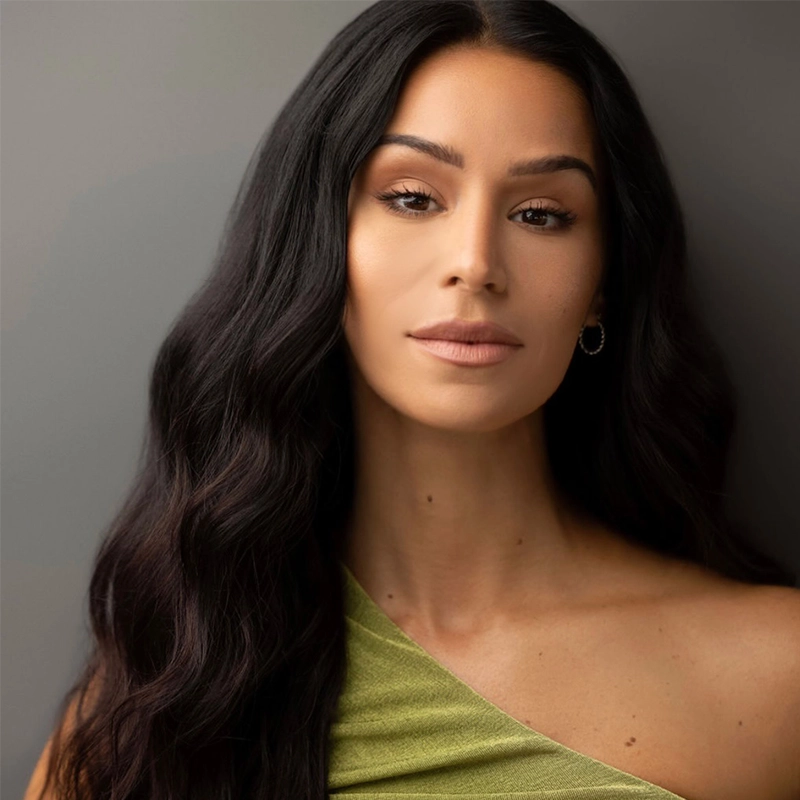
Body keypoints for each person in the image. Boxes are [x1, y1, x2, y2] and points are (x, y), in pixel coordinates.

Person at [24, 1, 800, 799]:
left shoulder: (779, 678)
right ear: (322, 242)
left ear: (602, 287)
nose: (475, 264)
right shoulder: (162, 705)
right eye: (412, 197)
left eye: (541, 214)